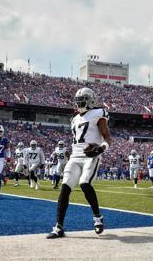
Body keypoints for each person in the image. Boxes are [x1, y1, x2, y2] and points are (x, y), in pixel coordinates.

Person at [47, 87, 111, 239]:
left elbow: (107, 138)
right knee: (65, 187)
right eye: (78, 101)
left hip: (90, 155)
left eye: (82, 100)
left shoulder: (98, 113)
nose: (79, 103)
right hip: (75, 156)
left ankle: (97, 217)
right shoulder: (74, 119)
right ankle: (59, 227)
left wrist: (100, 149)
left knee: (84, 183)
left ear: (90, 100)